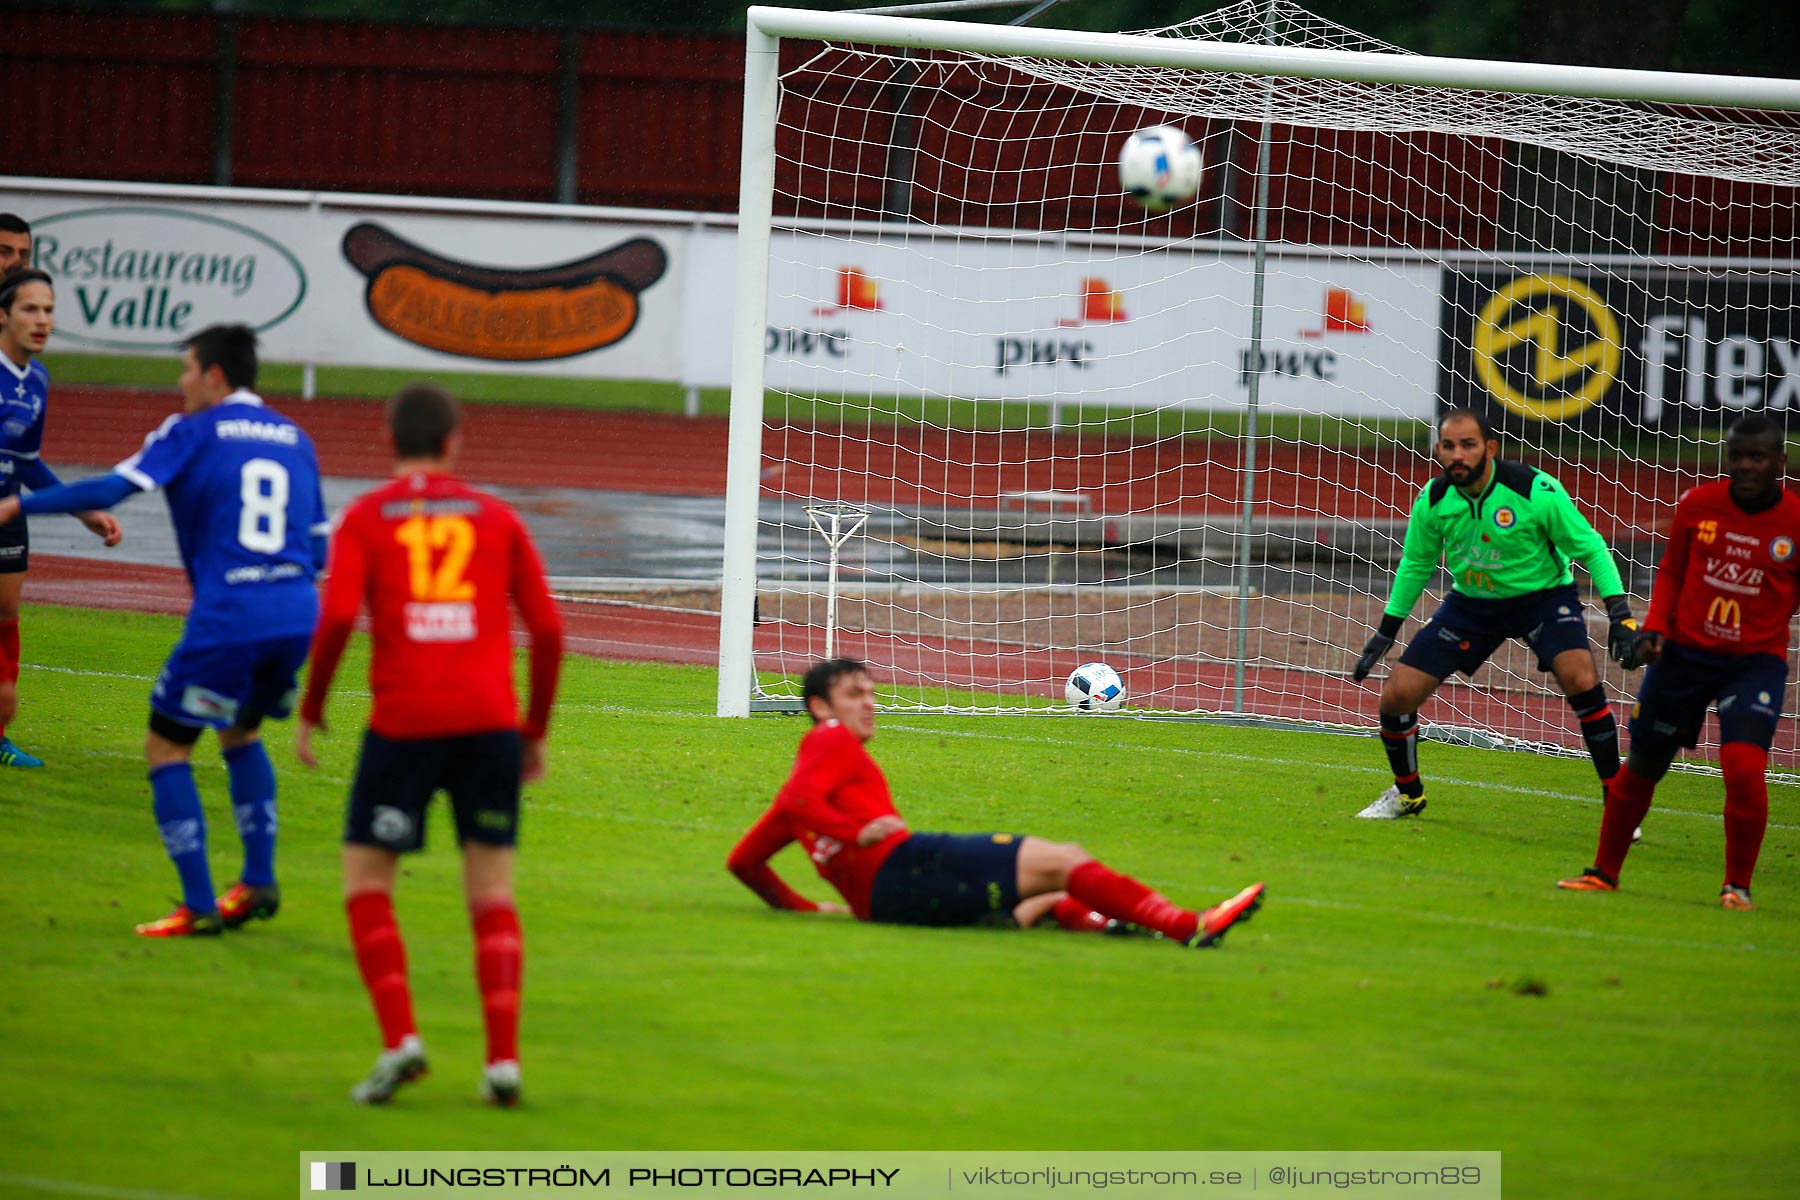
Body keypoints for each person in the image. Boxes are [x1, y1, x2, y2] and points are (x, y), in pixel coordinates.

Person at [0, 323, 324, 934]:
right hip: (294, 614)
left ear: (216, 376)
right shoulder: (293, 436)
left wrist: (20, 504)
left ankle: (198, 906)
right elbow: (320, 548)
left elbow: (113, 488)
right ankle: (256, 880)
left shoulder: (192, 432)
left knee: (167, 747)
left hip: (230, 617)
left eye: (187, 370)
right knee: (240, 733)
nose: (181, 383)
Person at [296, 382, 563, 1108]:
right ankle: (502, 1062)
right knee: (492, 893)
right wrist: (532, 731)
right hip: (488, 728)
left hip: (403, 729)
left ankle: (400, 1041)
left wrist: (312, 708)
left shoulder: (365, 517)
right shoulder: (497, 516)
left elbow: (337, 618)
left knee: (367, 885)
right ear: (454, 441)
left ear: (391, 440)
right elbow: (547, 629)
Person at [727, 658, 1266, 947]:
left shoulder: (804, 788)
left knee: (1042, 899)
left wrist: (807, 910)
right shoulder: (828, 739)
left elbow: (744, 862)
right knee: (1065, 860)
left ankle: (1120, 926)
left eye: (870, 692)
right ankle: (1187, 926)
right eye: (853, 695)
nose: (869, 703)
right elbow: (801, 802)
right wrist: (857, 835)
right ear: (821, 707)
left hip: (888, 901)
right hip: (905, 867)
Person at [1350, 408, 1642, 819]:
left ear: (1489, 448)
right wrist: (1387, 629)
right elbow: (1416, 563)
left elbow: (1591, 547)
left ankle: (1620, 806)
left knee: (1581, 679)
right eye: (1448, 446)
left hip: (1542, 598)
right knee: (1396, 696)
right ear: (1438, 450)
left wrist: (1620, 614)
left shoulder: (1533, 489)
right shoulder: (1434, 499)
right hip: (1472, 604)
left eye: (1468, 445)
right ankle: (1407, 794)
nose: (1458, 455)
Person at [1559, 414, 1800, 910]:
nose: (1746, 466)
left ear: (1780, 462)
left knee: (1743, 766)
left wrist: (1764, 625)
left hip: (1753, 663)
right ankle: (1603, 872)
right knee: (1643, 765)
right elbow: (1670, 574)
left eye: (1758, 457)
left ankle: (1737, 886)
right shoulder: (1699, 505)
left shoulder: (1795, 522)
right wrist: (1655, 630)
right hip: (1684, 655)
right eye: (1737, 456)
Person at [0, 267, 122, 768]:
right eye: (30, 309)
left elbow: (27, 461)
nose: (42, 320)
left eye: (49, 310)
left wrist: (82, 510)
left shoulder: (38, 380)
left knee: (6, 612)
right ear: (3, 315)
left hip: (8, 511)